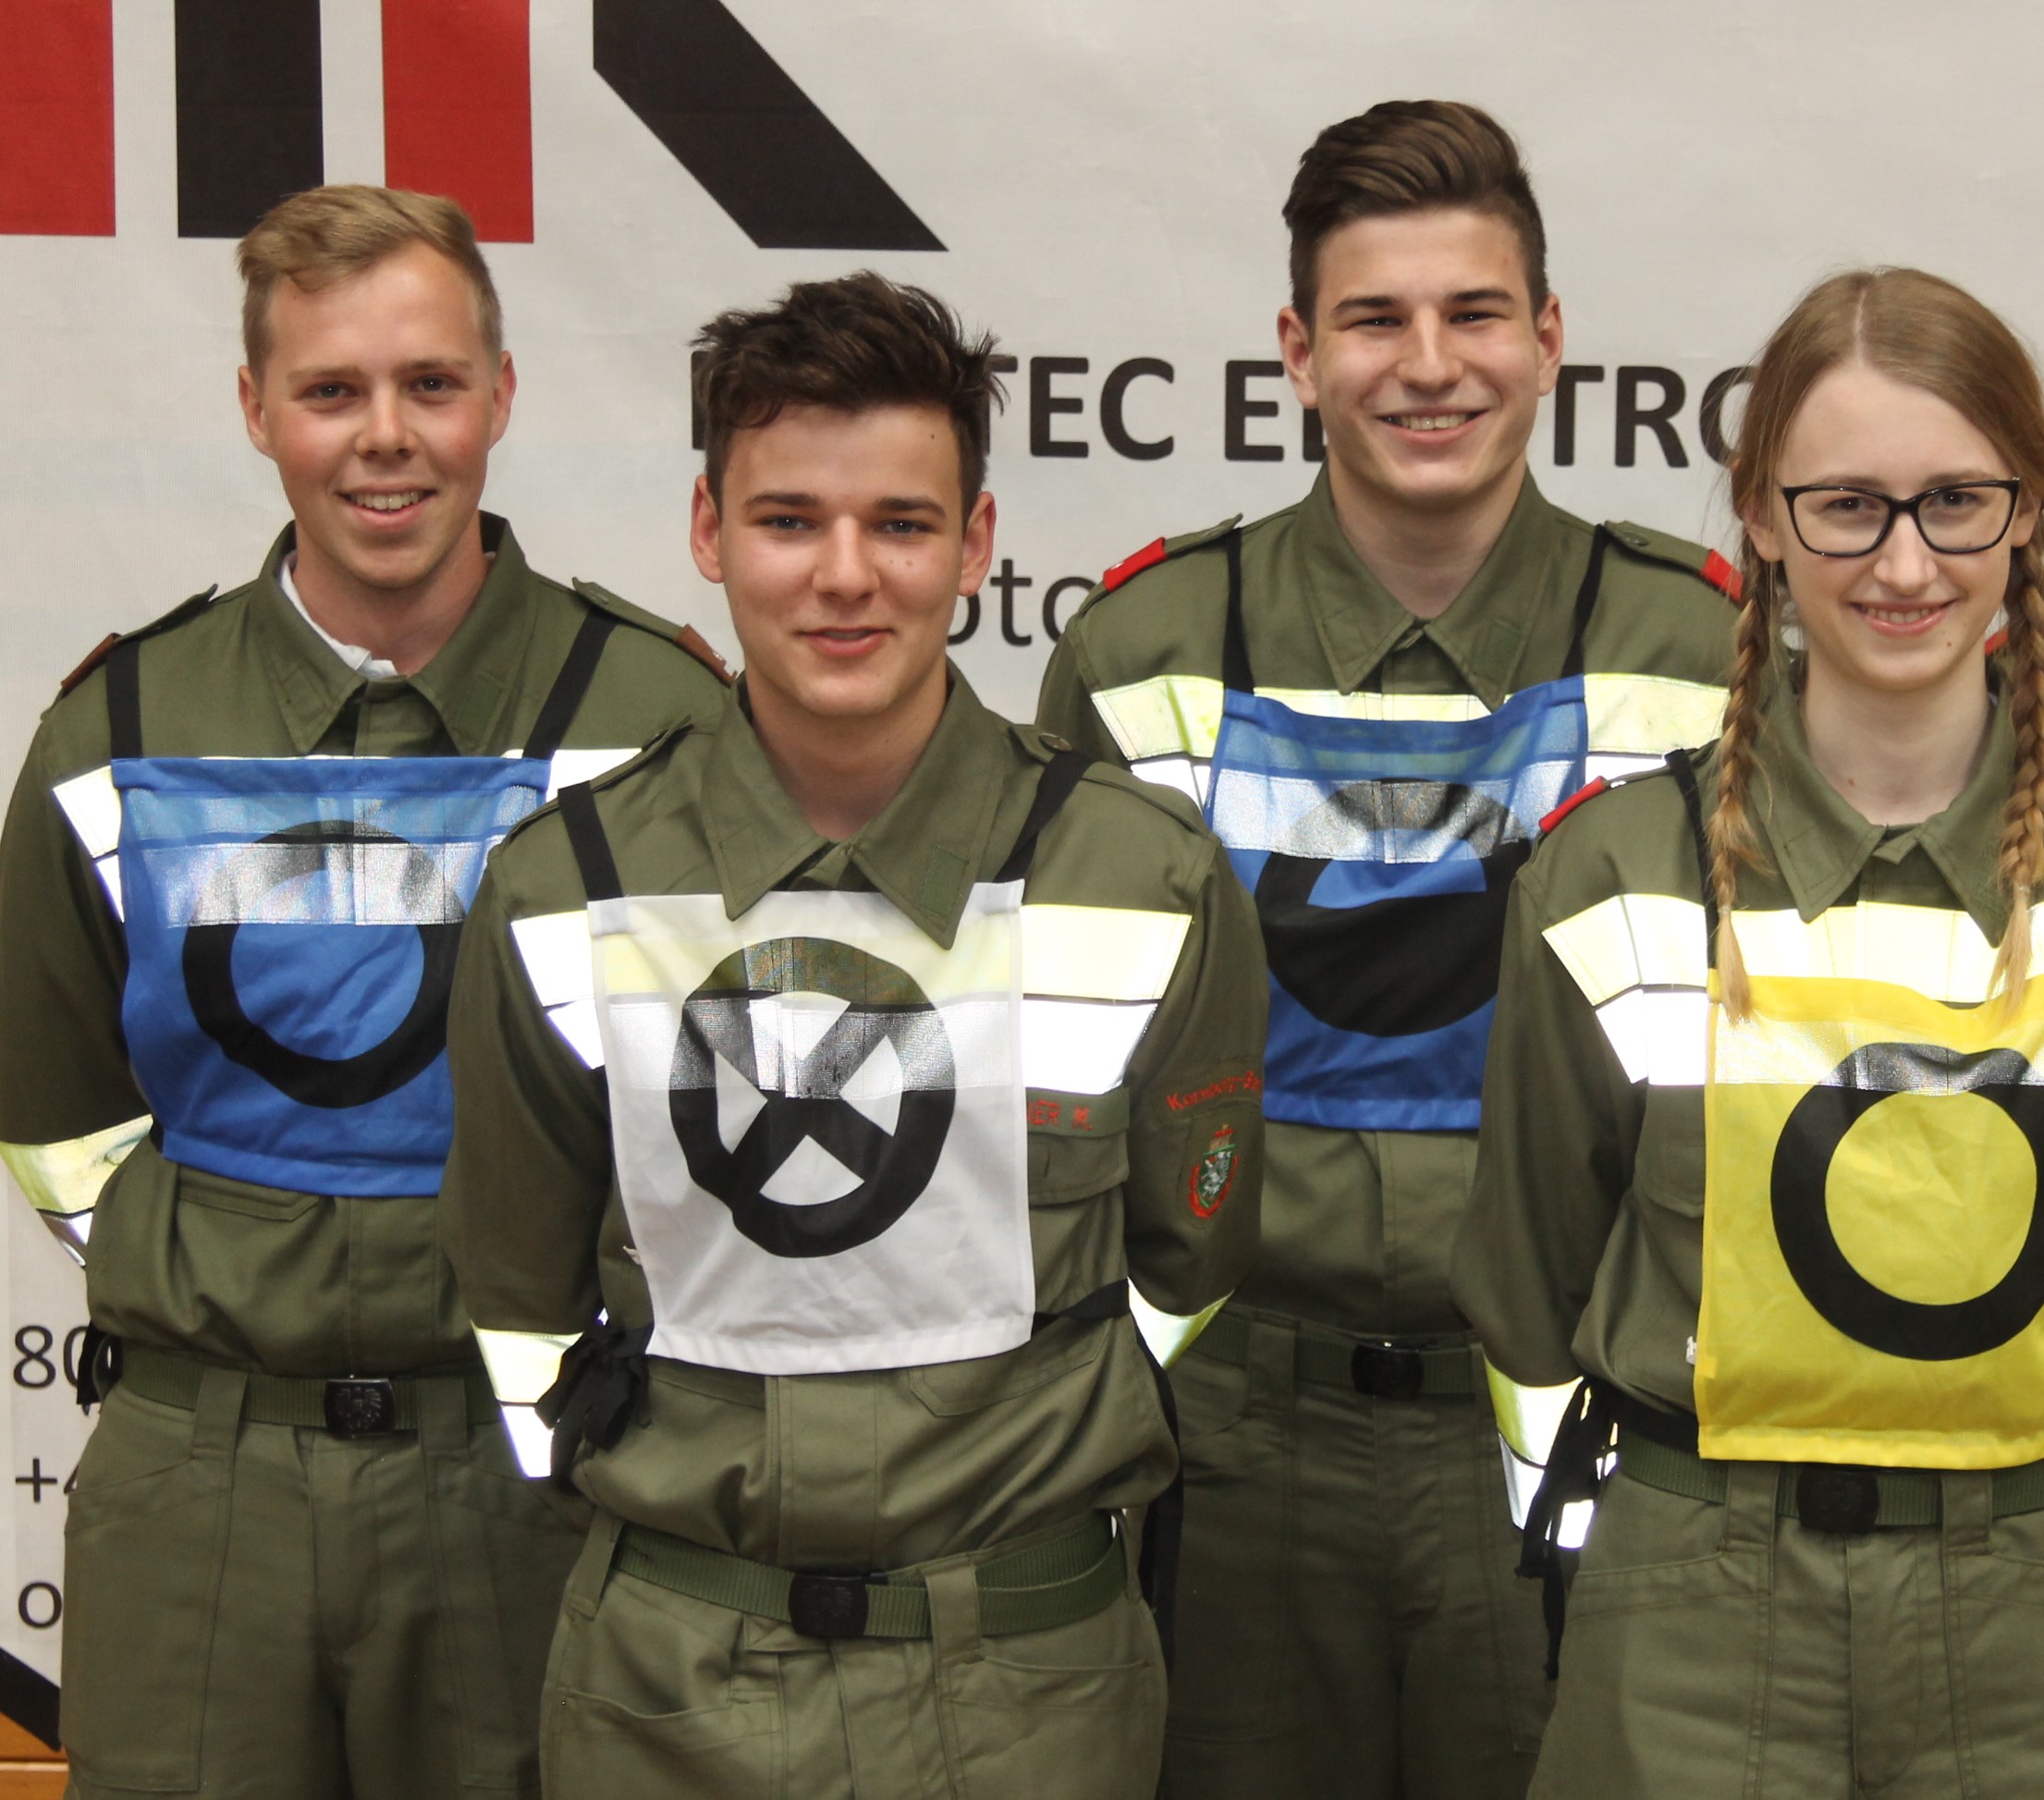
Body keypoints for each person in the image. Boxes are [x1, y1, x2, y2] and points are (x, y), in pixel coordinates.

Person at [436, 271, 1267, 1798]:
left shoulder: (1145, 879)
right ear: (707, 531)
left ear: (977, 543)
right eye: (787, 520)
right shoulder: (564, 890)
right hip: (663, 1685)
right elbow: (519, 1292)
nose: (843, 577)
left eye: (899, 524)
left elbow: (1186, 1273)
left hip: (1033, 1686)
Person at [1453, 265, 2044, 1796]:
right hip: (1685, 1617)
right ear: (1761, 517)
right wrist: (1610, 1552)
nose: (1905, 562)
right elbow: (1527, 1290)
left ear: (2029, 510)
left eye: (1956, 501)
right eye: (1846, 507)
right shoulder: (1610, 874)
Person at [1033, 99, 1739, 1798]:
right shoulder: (1142, 650)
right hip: (1233, 1444)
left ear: (1549, 339)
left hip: (1596, 1425)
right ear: (1299, 352)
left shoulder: (1708, 650)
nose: (1430, 365)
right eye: (1374, 319)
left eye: (1474, 312)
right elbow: (1050, 1083)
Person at [0, 185, 729, 1797]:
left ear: (502, 395)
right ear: (256, 408)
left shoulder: (661, 714)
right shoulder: (118, 726)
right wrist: (227, 1277)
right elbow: (53, 1120)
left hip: (532, 1474)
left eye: (430, 384)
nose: (386, 438)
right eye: (331, 390)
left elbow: (725, 1096)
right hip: (200, 1484)